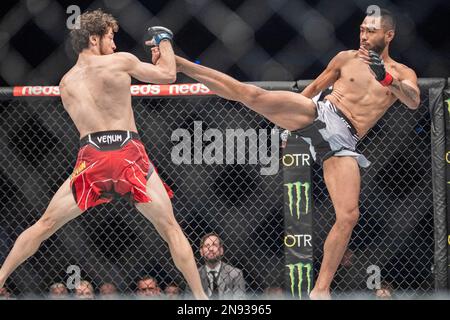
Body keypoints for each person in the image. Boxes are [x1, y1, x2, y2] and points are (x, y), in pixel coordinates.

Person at [175, 8, 420, 300]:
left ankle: (320, 289)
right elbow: (316, 87)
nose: (364, 36)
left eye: (371, 31)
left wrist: (386, 78)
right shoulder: (346, 58)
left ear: (389, 35)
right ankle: (180, 63)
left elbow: (413, 101)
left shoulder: (403, 73)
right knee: (252, 95)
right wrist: (287, 129)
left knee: (348, 215)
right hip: (322, 114)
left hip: (344, 140)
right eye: (362, 30)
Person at [0, 9, 207, 300]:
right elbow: (168, 75)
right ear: (94, 38)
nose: (114, 44)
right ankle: (201, 298)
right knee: (170, 228)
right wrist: (164, 41)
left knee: (44, 225)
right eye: (110, 37)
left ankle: (0, 278)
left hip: (92, 156)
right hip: (128, 152)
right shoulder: (119, 62)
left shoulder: (66, 82)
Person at [197, 233, 246, 299]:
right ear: (201, 252)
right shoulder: (195, 276)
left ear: (221, 250)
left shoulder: (235, 274)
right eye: (207, 246)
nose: (211, 248)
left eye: (214, 245)